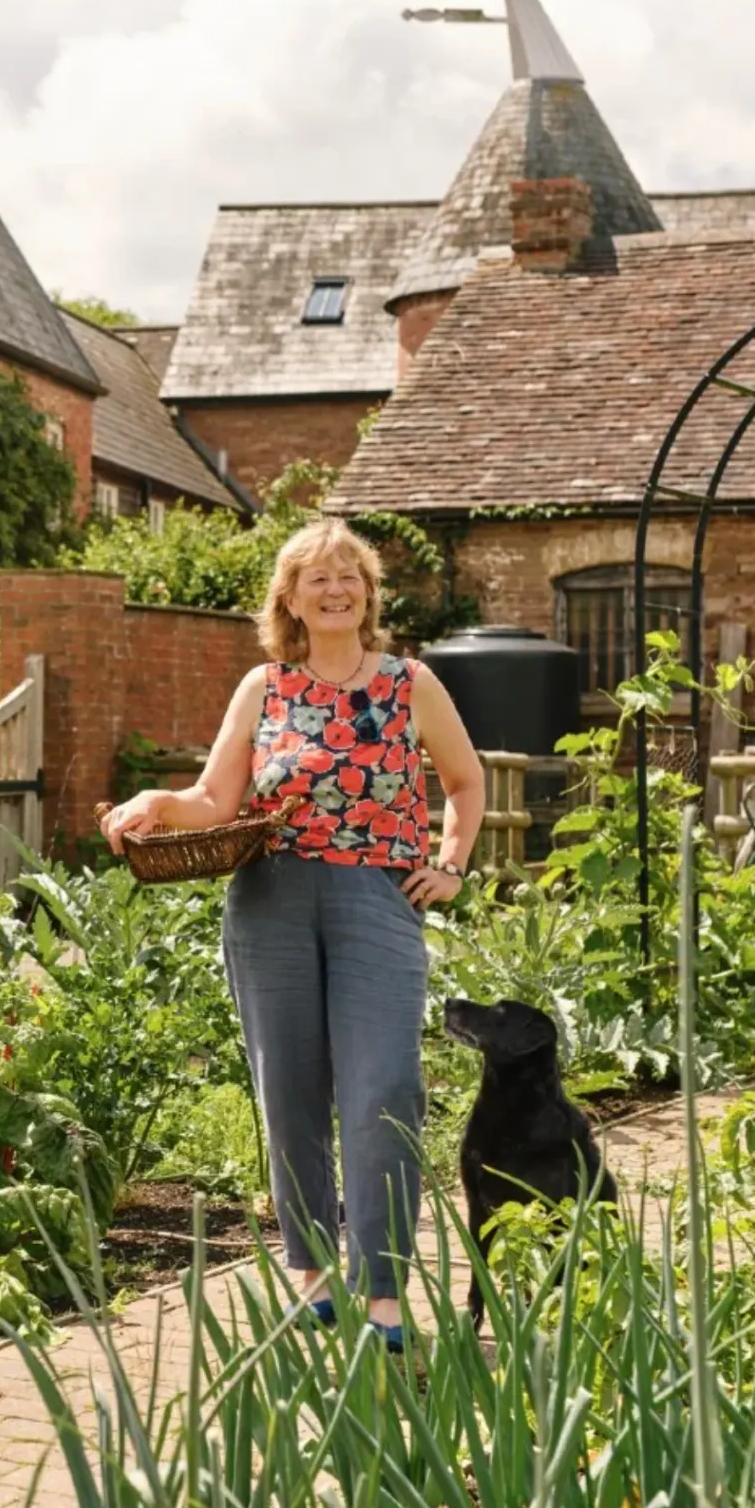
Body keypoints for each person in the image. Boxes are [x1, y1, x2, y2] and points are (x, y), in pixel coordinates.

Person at [99, 518, 483, 1347]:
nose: (338, 588)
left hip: (377, 903)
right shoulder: (264, 688)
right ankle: (311, 1274)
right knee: (290, 1094)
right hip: (269, 902)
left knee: (384, 1089)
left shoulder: (409, 683)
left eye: (352, 575)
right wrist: (157, 806)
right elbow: (214, 801)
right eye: (319, 577)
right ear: (290, 598)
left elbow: (465, 779)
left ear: (370, 595)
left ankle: (382, 1286)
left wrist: (450, 863)